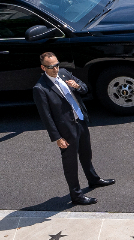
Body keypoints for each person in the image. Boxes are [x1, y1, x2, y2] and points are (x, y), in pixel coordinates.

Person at [32, 53, 115, 205]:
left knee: (86, 153)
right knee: (70, 163)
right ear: (43, 67)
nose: (56, 69)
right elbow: (46, 116)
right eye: (51, 67)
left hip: (80, 121)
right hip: (65, 130)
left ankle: (93, 180)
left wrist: (77, 86)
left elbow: (84, 88)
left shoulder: (64, 73)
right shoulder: (40, 88)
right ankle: (76, 195)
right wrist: (57, 137)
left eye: (57, 65)